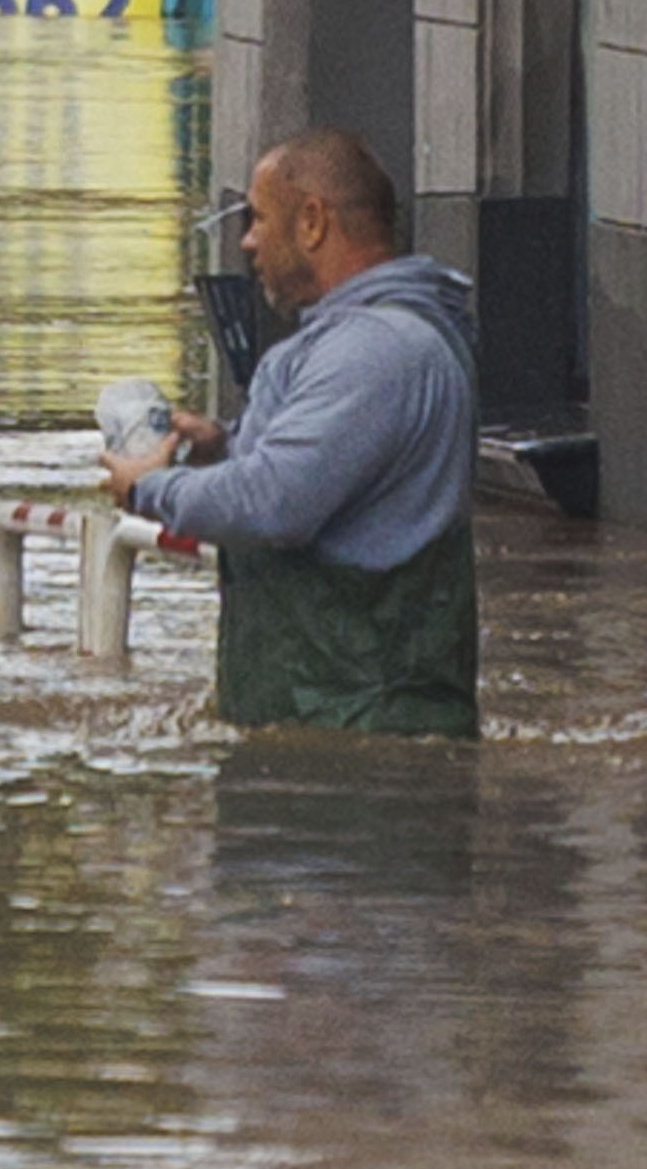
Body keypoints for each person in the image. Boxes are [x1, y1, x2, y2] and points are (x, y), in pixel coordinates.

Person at [98, 126, 478, 737]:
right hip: (332, 729)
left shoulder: (374, 352)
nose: (247, 242)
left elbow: (274, 503)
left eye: (257, 219)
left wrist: (150, 487)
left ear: (311, 222)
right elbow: (311, 480)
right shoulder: (362, 342)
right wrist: (223, 447)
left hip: (359, 744)